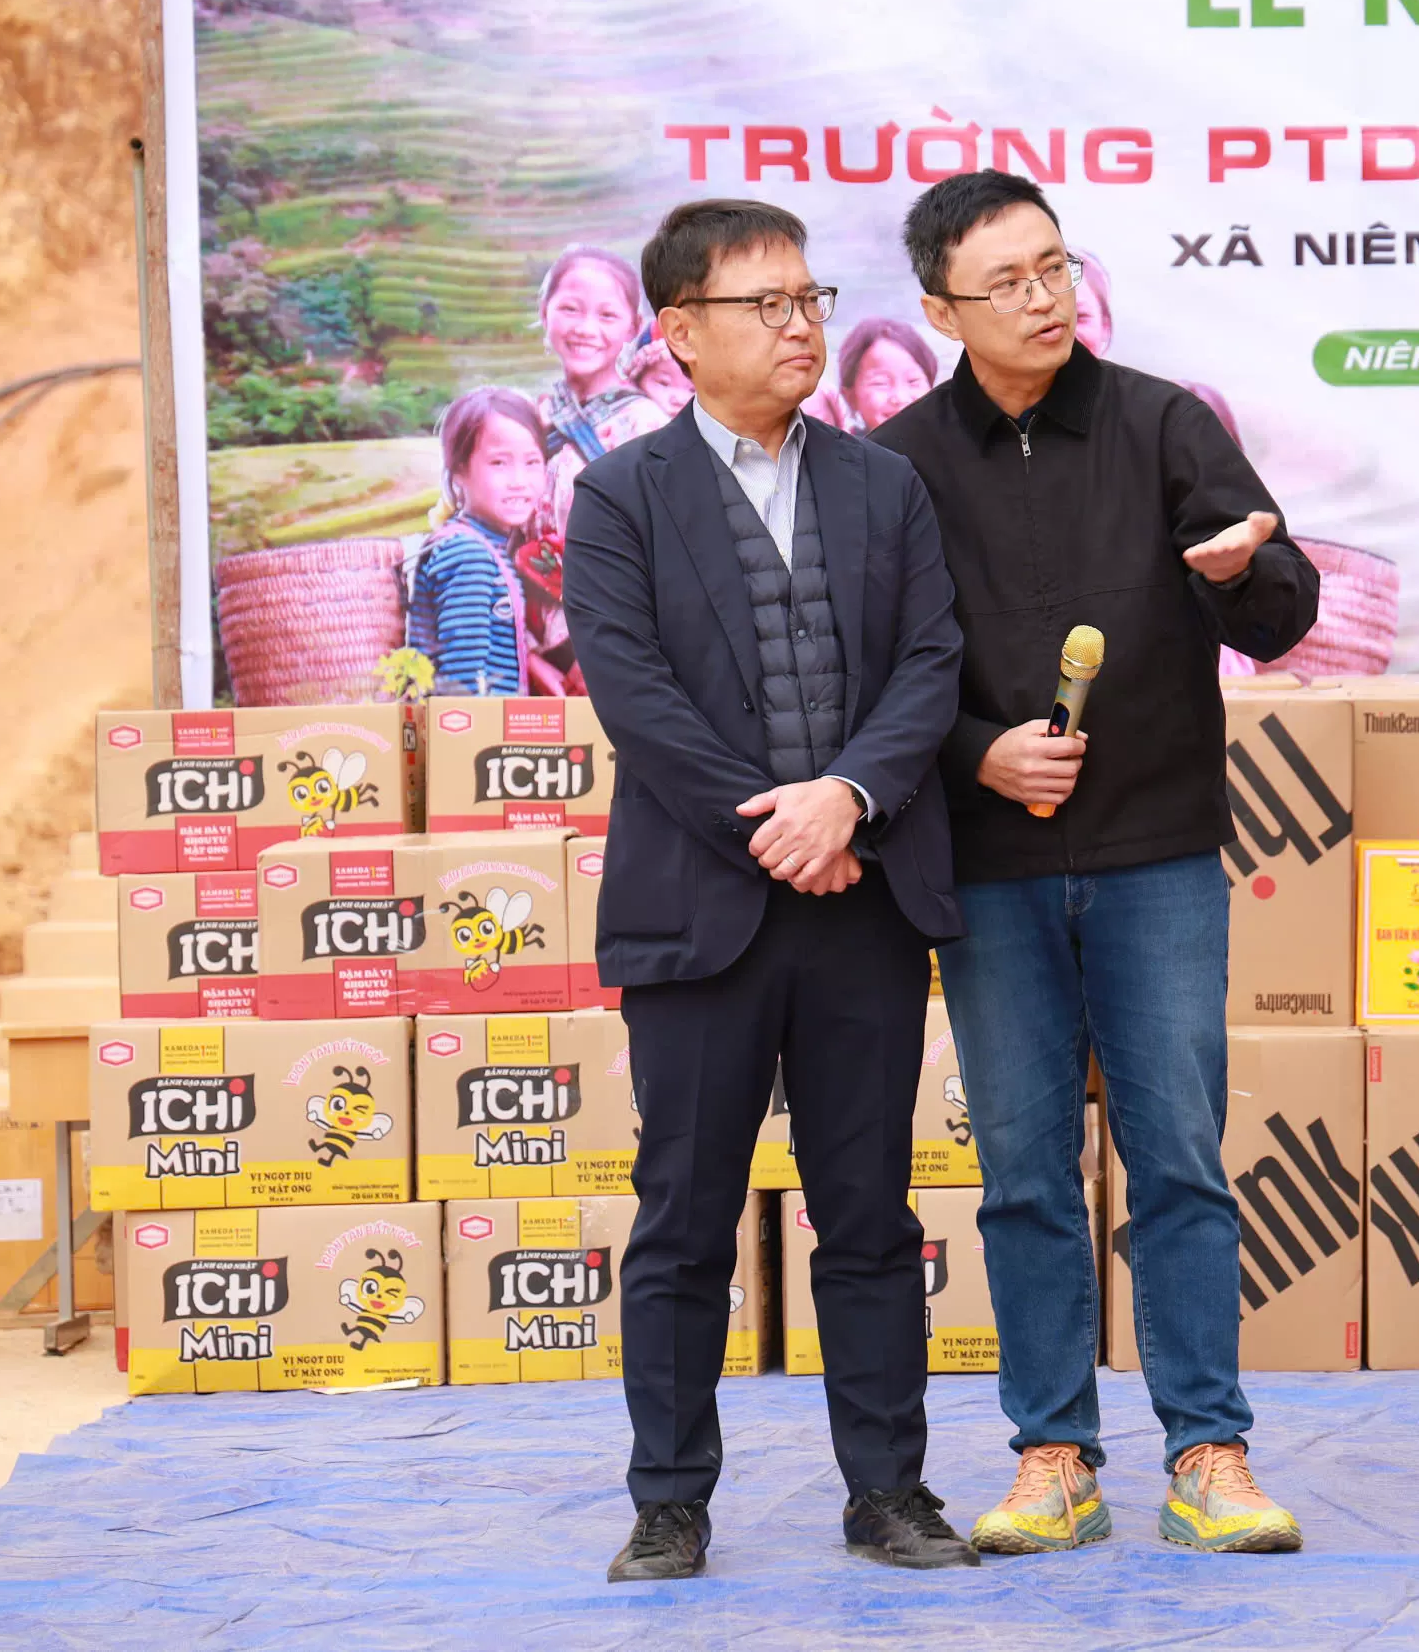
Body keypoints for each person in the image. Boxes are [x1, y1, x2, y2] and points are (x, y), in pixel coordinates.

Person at [873, 171, 1319, 1557]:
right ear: (940, 309)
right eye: (1005, 281)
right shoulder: (895, 465)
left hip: (1156, 855)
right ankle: (1053, 1452)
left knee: (1178, 1157)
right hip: (990, 867)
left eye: (1055, 267)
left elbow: (1284, 614)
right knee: (1022, 1171)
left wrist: (1241, 571)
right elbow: (873, 679)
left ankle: (1210, 1451)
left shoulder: (1163, 423)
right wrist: (977, 755)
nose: (1042, 298)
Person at [564, 199, 975, 1581]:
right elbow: (637, 697)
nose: (802, 326)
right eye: (767, 304)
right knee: (684, 1219)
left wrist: (846, 797)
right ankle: (670, 1499)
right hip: (701, 915)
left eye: (811, 299)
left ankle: (889, 1491)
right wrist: (779, 825)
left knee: (868, 1213)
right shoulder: (621, 497)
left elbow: (929, 663)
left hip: (862, 899)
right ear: (680, 332)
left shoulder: (882, 485)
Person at [536, 248, 670, 691]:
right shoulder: (533, 420)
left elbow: (665, 557)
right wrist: (531, 654)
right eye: (570, 309)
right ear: (544, 311)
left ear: (632, 327)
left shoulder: (646, 427)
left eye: (607, 315)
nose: (585, 328)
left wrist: (602, 652)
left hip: (614, 653)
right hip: (528, 647)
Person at [407, 387, 549, 698]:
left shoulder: (491, 545)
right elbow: (462, 679)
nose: (519, 481)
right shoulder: (469, 555)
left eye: (532, 462)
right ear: (459, 470)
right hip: (473, 724)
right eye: (499, 463)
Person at [838, 317, 939, 433]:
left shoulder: (950, 440)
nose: (901, 398)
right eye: (881, 383)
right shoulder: (841, 444)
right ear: (850, 397)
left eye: (913, 381)